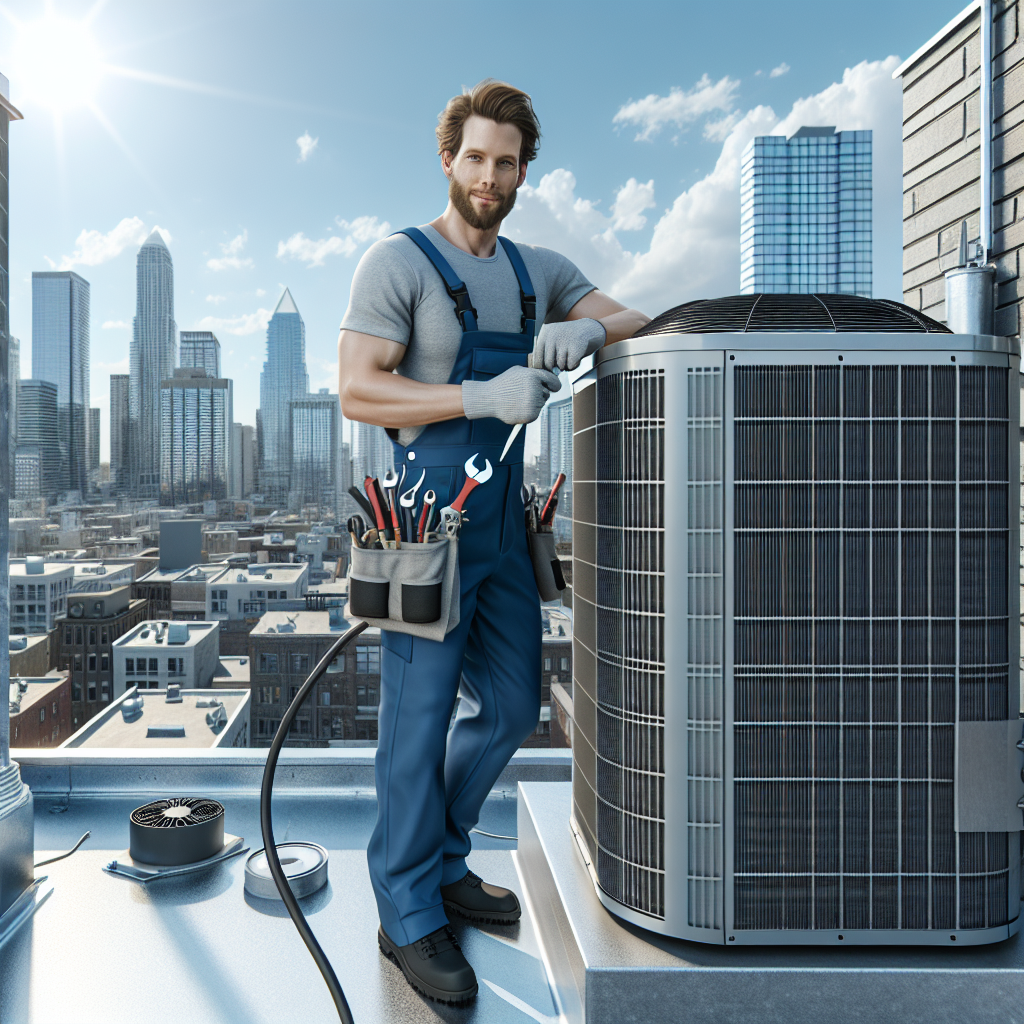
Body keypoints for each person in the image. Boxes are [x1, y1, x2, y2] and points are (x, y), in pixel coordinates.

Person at [338, 79, 649, 1005]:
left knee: (514, 705)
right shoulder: (396, 263)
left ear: (523, 172)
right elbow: (359, 388)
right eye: (475, 157)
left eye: (506, 162)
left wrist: (583, 326)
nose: (489, 175)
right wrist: (478, 395)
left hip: (505, 530)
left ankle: (439, 858)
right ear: (449, 159)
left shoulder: (535, 270)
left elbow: (635, 320)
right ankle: (404, 910)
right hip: (424, 526)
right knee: (417, 720)